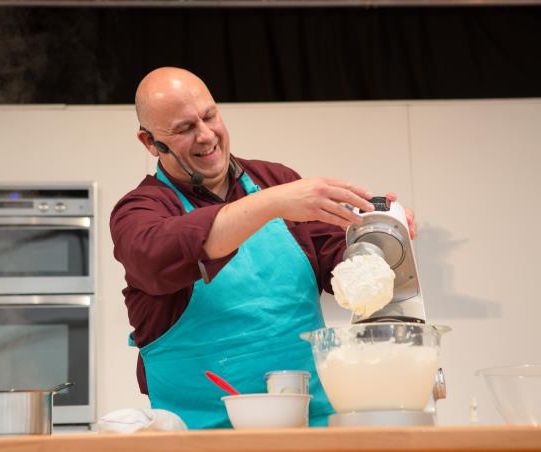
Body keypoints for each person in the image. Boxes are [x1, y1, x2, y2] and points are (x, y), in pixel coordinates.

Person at [110, 67, 416, 429]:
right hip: (200, 439)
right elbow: (156, 256)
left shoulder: (276, 181)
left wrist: (376, 239)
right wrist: (272, 204)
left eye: (210, 116)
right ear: (149, 142)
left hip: (312, 428)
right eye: (184, 129)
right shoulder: (140, 211)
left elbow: (337, 259)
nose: (206, 136)